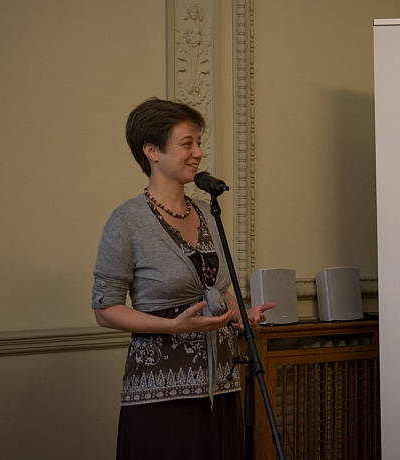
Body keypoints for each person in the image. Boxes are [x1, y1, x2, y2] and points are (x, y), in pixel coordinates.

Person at [91, 97, 276, 459]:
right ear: (152, 151)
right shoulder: (126, 221)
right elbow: (104, 309)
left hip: (220, 385)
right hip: (160, 394)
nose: (198, 153)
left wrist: (241, 315)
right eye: (187, 143)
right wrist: (172, 327)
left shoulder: (208, 212)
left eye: (199, 143)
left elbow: (216, 288)